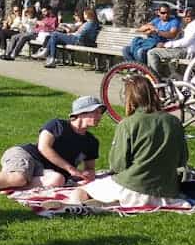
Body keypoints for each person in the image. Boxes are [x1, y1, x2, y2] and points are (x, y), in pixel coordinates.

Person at [71, 76, 188, 208]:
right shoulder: (174, 121)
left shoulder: (128, 123)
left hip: (134, 185)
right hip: (168, 190)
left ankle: (80, 207)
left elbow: (117, 165)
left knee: (81, 191)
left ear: (129, 98)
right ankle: (110, 202)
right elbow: (182, 160)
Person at [0, 96, 104, 193]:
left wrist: (88, 174)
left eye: (100, 112)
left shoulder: (91, 141)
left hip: (47, 172)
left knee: (57, 180)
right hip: (27, 155)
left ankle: (2, 186)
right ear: (81, 113)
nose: (99, 116)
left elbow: (89, 169)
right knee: (19, 178)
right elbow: (44, 147)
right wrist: (70, 168)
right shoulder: (58, 125)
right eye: (95, 112)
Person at [147, 7, 195, 79]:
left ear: (188, 18)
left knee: (152, 52)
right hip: (185, 50)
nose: (182, 19)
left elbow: (185, 42)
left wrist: (166, 45)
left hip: (185, 52)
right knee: (156, 50)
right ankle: (162, 77)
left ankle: (155, 79)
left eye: (183, 17)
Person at [35, 8, 101, 68]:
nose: (83, 16)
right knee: (53, 37)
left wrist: (71, 34)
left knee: (54, 34)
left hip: (77, 40)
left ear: (88, 15)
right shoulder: (89, 23)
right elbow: (81, 33)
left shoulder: (90, 24)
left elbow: (82, 35)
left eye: (84, 14)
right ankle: (50, 58)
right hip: (77, 39)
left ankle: (47, 54)